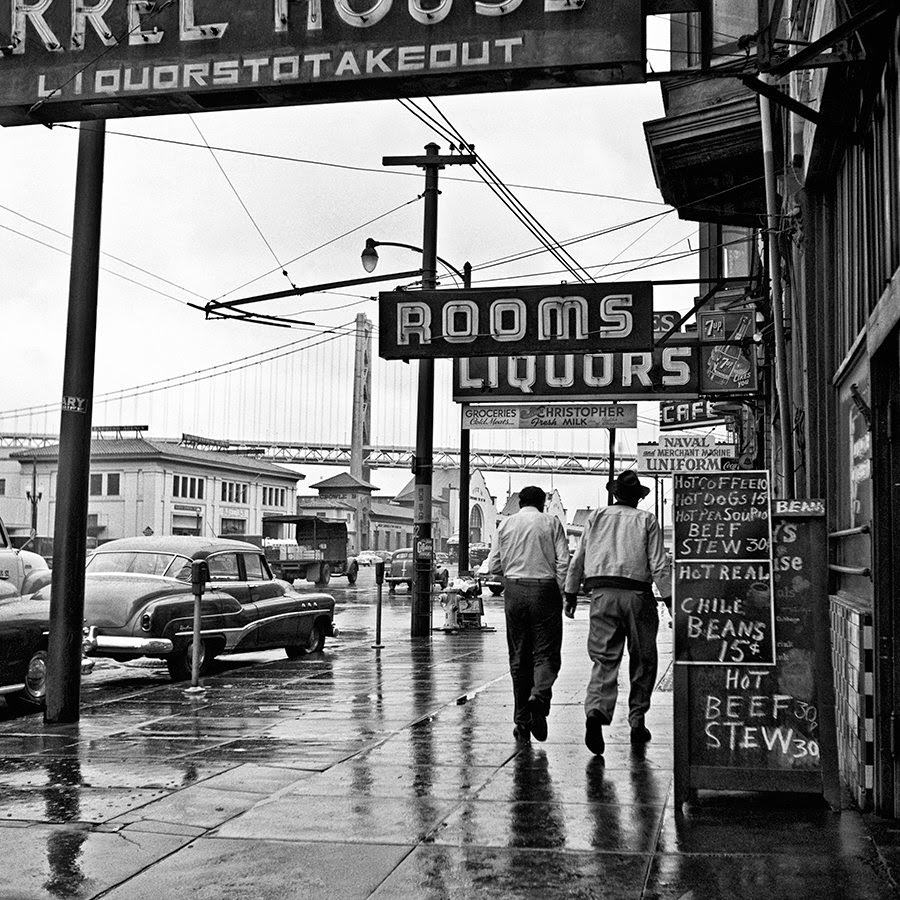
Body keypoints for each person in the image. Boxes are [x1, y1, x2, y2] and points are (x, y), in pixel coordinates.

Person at [564, 470, 671, 756]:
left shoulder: (596, 517)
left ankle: (596, 711)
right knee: (643, 657)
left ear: (615, 494)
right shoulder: (646, 520)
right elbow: (659, 564)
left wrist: (571, 592)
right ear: (637, 498)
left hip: (601, 594)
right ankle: (637, 720)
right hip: (637, 595)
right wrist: (671, 600)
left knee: (604, 657)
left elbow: (579, 558)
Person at [485, 485, 570, 743]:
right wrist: (562, 591)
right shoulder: (552, 523)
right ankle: (540, 695)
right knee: (546, 652)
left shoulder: (506, 525)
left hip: (514, 591)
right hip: (544, 590)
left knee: (519, 656)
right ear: (543, 503)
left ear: (520, 503)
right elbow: (563, 562)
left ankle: (522, 722)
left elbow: (494, 565)